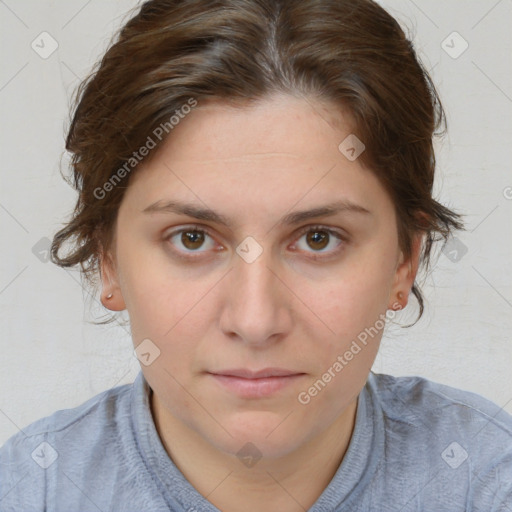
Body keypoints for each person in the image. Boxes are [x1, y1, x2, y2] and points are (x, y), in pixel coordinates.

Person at [1, 0, 511, 510]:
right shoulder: (28, 492)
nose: (255, 320)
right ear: (106, 259)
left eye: (318, 238)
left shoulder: (486, 478)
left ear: (405, 263)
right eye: (193, 238)